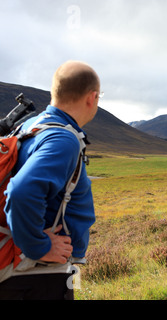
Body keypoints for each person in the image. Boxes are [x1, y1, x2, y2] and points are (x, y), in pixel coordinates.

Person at [0, 61, 99, 300]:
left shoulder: (29, 126)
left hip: (28, 271)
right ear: (92, 97)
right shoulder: (63, 139)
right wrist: (39, 247)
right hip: (36, 275)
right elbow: (21, 191)